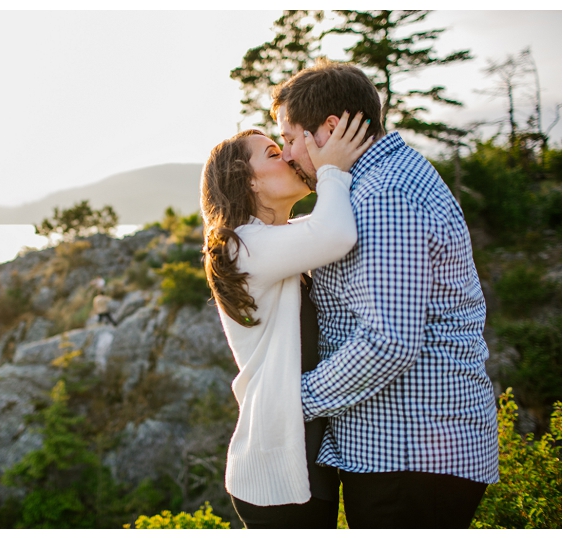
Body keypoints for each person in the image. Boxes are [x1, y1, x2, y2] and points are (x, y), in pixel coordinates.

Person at [271, 60, 499, 529]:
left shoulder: (386, 194)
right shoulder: (376, 184)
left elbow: (388, 339)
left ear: (329, 129)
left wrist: (294, 399)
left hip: (411, 454)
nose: (288, 154)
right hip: (403, 451)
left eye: (291, 138)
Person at [200, 112, 373, 528]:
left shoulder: (277, 240)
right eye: (275, 153)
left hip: (303, 460)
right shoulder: (241, 246)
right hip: (276, 473)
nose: (292, 158)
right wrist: (331, 169)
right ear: (249, 181)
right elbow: (334, 233)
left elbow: (331, 225)